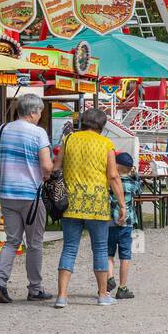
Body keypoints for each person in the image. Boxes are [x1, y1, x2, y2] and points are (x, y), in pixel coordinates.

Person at [53, 107, 127, 308]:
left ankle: (61, 296)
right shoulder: (106, 144)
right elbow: (113, 176)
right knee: (100, 249)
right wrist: (122, 204)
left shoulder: (68, 140)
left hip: (71, 203)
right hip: (96, 203)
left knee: (69, 248)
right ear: (102, 126)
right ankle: (103, 295)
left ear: (83, 122)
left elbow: (56, 167)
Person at [0, 94, 54, 304]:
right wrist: (51, 171)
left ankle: (0, 282)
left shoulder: (2, 130)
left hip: (7, 193)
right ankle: (35, 289)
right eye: (40, 113)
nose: (39, 116)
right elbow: (46, 166)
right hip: (31, 195)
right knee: (34, 243)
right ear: (33, 112)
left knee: (12, 241)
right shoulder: (38, 133)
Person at [105, 151, 142, 300]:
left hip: (109, 222)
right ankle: (123, 287)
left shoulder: (110, 181)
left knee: (109, 254)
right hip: (127, 223)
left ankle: (109, 278)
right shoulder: (133, 183)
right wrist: (136, 175)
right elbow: (140, 191)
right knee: (125, 256)